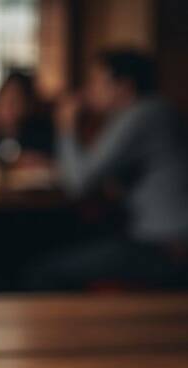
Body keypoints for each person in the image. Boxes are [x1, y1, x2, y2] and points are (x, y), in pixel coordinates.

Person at [27, 49, 188, 290]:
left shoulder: (141, 116)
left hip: (165, 246)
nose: (89, 90)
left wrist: (66, 125)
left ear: (123, 86)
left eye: (96, 81)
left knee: (42, 272)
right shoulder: (157, 110)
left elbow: (78, 183)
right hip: (162, 239)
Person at [0, 71, 54, 165]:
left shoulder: (39, 131)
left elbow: (53, 162)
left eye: (16, 101)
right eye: (5, 99)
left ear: (28, 106)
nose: (9, 107)